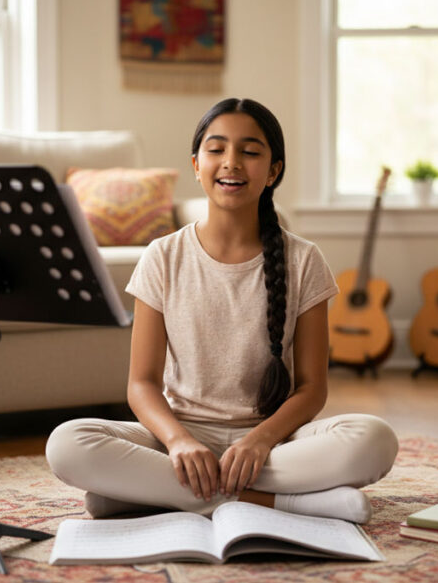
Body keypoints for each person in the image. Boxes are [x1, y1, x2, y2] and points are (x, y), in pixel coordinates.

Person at [46, 98, 398, 523]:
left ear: (273, 171)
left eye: (250, 152)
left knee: (374, 439)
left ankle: (153, 496)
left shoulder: (304, 260)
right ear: (196, 164)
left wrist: (260, 441)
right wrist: (178, 442)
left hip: (273, 444)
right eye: (216, 150)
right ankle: (281, 503)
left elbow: (312, 389)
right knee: (67, 443)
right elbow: (141, 384)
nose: (231, 162)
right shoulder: (162, 256)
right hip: (178, 441)